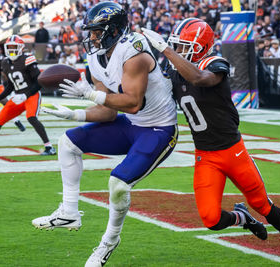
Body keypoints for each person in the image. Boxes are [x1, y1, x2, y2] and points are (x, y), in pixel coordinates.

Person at [141, 19, 280, 263]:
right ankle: (243, 218)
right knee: (211, 219)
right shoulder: (174, 73)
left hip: (233, 152)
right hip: (206, 156)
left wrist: (165, 50)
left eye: (182, 46)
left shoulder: (214, 64)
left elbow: (200, 78)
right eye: (175, 46)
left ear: (200, 47)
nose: (177, 51)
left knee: (262, 204)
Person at [32, 2, 177, 266]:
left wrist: (88, 93)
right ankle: (69, 212)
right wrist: (75, 115)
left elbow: (132, 101)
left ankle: (108, 242)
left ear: (114, 30)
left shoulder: (134, 52)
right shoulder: (95, 57)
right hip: (131, 124)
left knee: (118, 185)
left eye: (97, 31)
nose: (92, 37)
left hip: (158, 128)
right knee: (68, 142)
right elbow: (108, 110)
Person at [0, 35, 56, 156]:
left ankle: (49, 147)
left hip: (31, 94)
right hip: (17, 97)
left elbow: (39, 82)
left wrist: (26, 95)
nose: (11, 50)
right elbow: (10, 86)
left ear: (21, 48)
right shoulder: (5, 62)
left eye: (14, 47)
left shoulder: (27, 59)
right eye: (9, 47)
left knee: (31, 117)